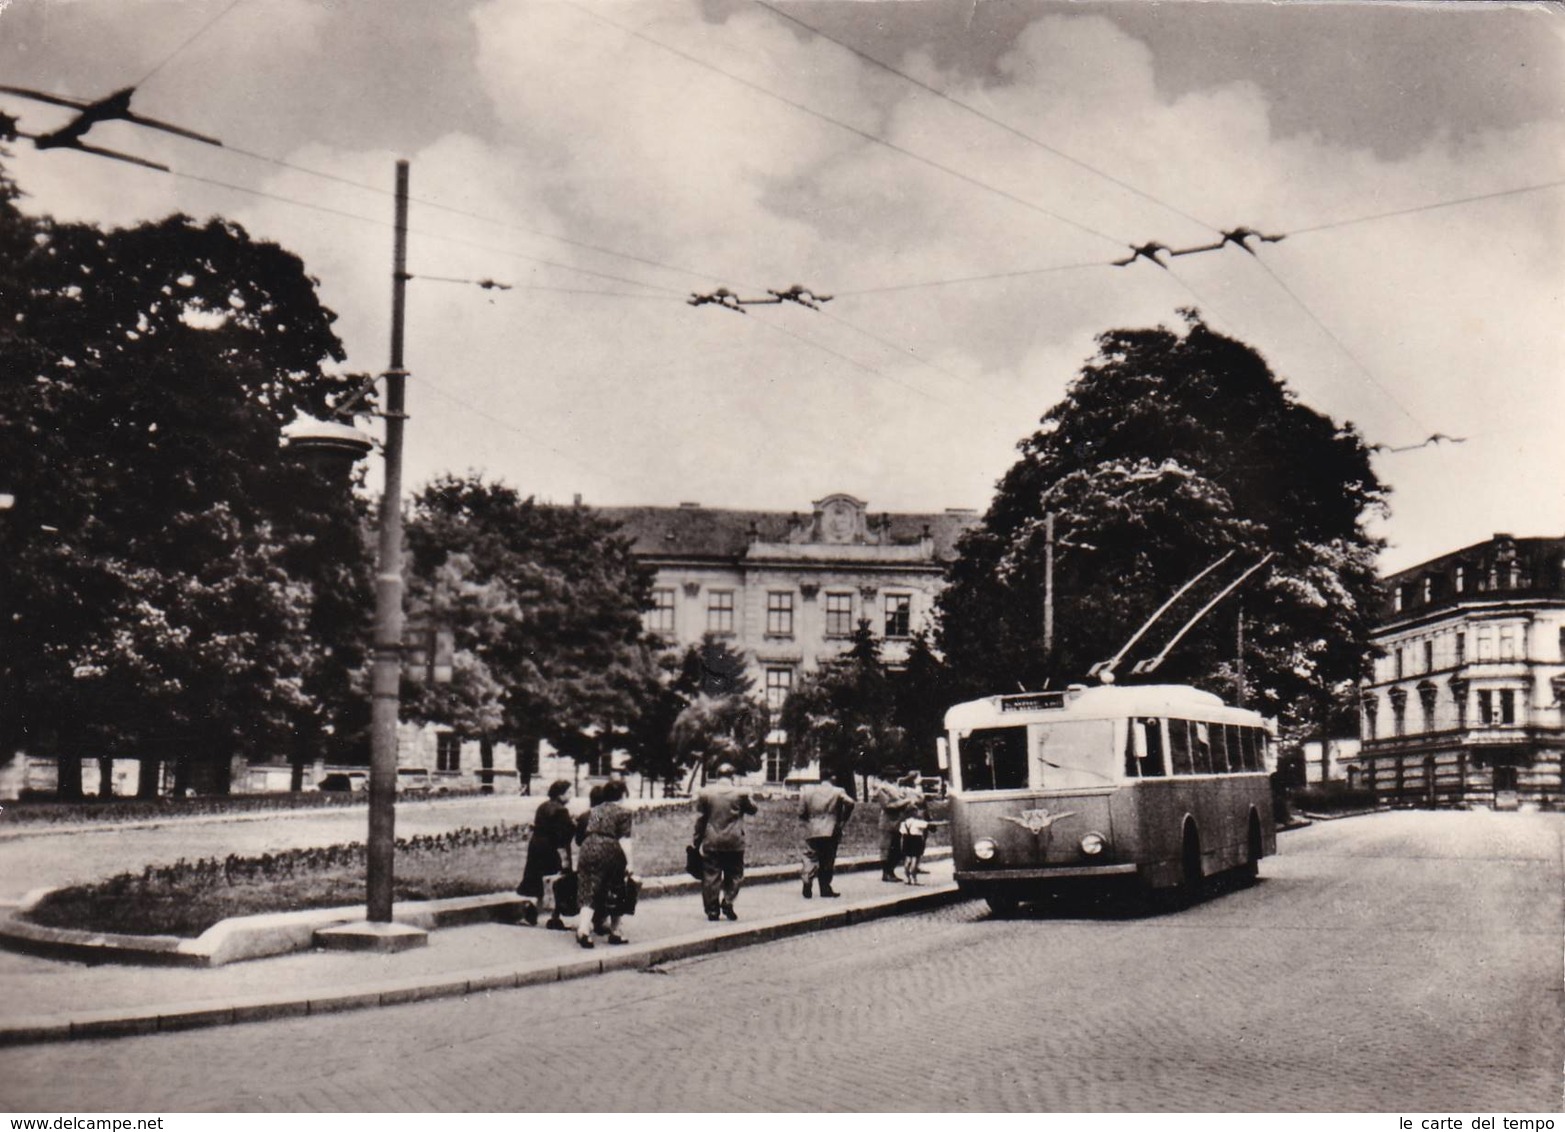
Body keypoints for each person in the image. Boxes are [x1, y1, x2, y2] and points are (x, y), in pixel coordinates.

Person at [574, 778, 635, 948]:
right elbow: (624, 840)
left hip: (588, 847)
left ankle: (584, 930)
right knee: (616, 888)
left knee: (588, 887)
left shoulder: (595, 810)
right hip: (609, 849)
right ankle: (616, 932)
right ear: (622, 794)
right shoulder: (623, 812)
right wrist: (630, 864)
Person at [693, 762, 757, 921]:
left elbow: (701, 819)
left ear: (716, 776)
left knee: (711, 875)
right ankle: (728, 901)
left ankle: (712, 910)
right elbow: (753, 809)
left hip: (712, 840)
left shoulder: (706, 794)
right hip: (734, 840)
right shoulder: (739, 794)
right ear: (732, 776)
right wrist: (748, 796)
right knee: (735, 873)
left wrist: (696, 841)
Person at [517, 779, 575, 929]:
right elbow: (563, 834)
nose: (571, 795)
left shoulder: (542, 806)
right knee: (554, 881)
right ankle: (554, 918)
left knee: (535, 877)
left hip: (536, 845)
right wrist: (573, 827)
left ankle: (529, 914)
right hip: (552, 849)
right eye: (568, 792)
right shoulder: (562, 810)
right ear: (560, 794)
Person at [799, 769, 855, 899]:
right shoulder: (838, 791)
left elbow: (801, 811)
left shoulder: (808, 791)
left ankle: (807, 877)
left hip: (812, 828)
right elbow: (851, 803)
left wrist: (809, 820)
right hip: (831, 828)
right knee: (828, 859)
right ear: (832, 777)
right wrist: (842, 820)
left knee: (811, 856)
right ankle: (825, 888)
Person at [874, 766, 913, 882]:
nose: (894, 777)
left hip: (899, 821)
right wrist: (905, 802)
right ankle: (887, 873)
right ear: (886, 776)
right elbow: (887, 806)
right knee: (887, 848)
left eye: (895, 775)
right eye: (892, 775)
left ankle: (891, 871)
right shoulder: (882, 789)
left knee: (897, 849)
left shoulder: (896, 787)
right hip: (888, 821)